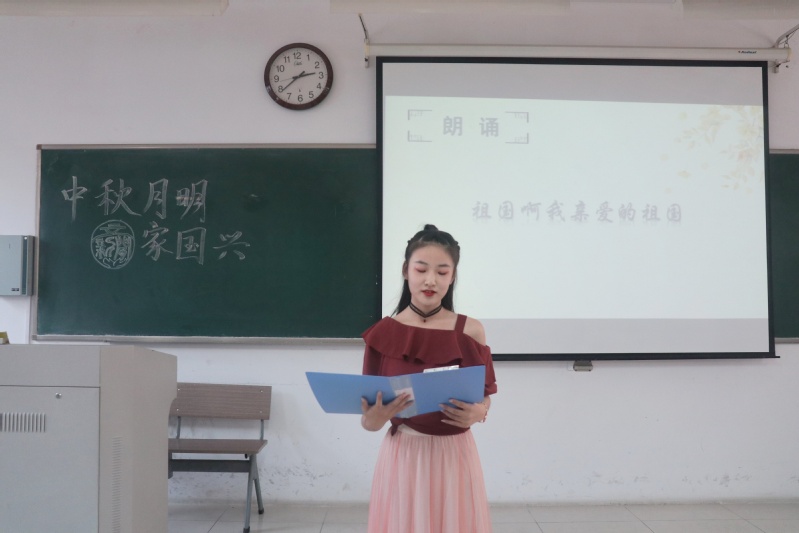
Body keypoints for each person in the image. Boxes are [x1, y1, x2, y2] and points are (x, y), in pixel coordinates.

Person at [360, 224, 498, 533]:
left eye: (442, 272)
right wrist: (375, 419)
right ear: (405, 271)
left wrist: (480, 412)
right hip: (404, 454)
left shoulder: (470, 330)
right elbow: (368, 419)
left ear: (453, 277)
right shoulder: (383, 334)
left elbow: (484, 394)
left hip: (455, 453)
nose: (431, 280)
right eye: (421, 269)